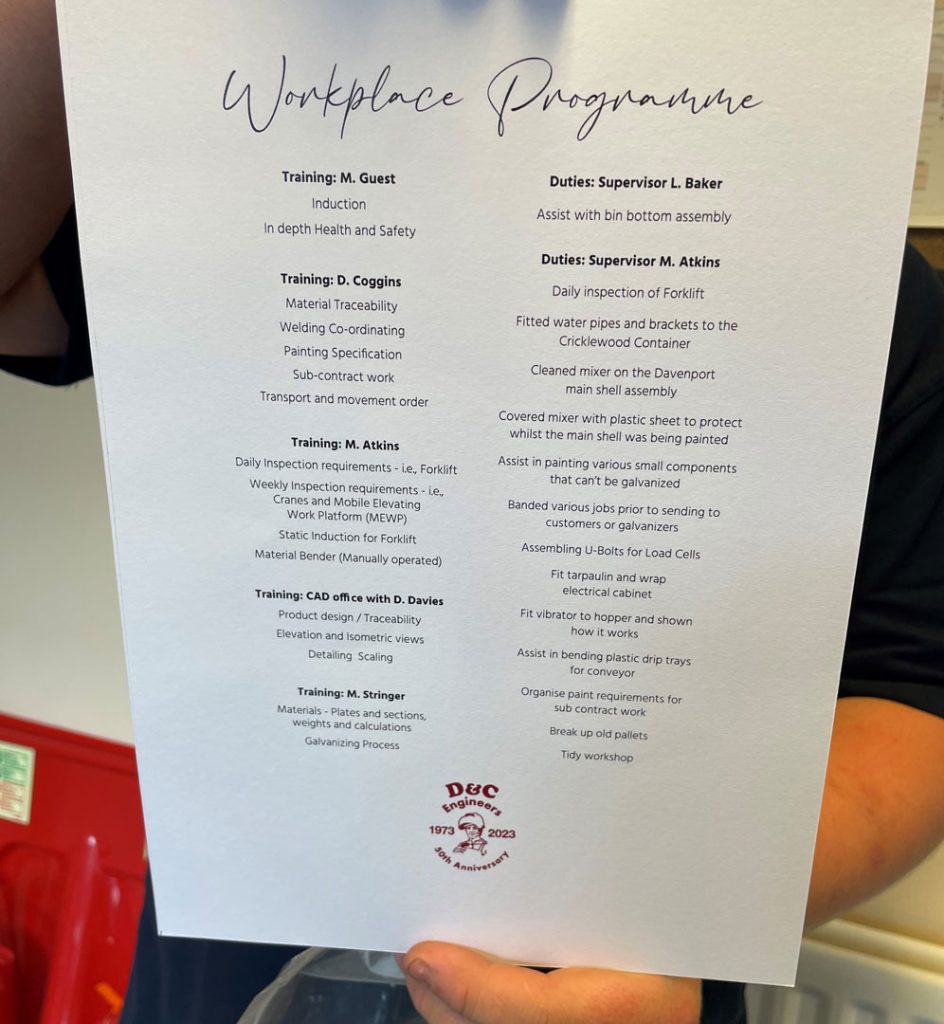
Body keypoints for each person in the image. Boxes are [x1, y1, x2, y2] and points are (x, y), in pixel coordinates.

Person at [4, 4, 943, 1022]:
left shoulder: (834, 245)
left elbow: (913, 682)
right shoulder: (226, 158)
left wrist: (690, 900)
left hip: (628, 982)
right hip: (228, 964)